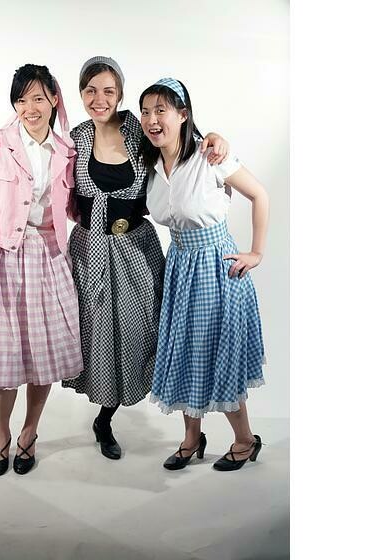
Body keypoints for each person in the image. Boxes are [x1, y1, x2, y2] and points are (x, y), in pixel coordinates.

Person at [0, 57, 230, 461]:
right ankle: (99, 421)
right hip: (87, 250)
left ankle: (146, 422)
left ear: (121, 94)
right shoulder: (73, 140)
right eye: (90, 90)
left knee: (141, 333)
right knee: (94, 336)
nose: (99, 99)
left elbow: (177, 137)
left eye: (109, 90)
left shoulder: (139, 131)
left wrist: (212, 137)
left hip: (136, 251)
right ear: (77, 95)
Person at [139, 78, 269, 472]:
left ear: (182, 115)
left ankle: (245, 440)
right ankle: (192, 438)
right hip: (180, 265)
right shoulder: (150, 165)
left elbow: (259, 194)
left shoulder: (209, 155)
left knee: (218, 353)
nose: (152, 119)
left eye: (161, 110)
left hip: (216, 267)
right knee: (182, 351)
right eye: (146, 111)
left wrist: (256, 252)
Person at [0, 64, 83, 477]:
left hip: (49, 258)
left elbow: (71, 207)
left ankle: (29, 432)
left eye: (38, 98)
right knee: (2, 362)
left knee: (41, 356)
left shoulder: (66, 151)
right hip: (3, 259)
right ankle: (1, 434)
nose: (30, 107)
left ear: (54, 99)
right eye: (21, 99)